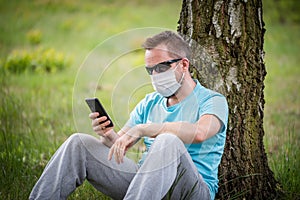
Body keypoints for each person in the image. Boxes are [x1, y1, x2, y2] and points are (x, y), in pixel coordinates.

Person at [29, 31, 228, 200]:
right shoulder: (150, 102)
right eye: (150, 70)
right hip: (145, 185)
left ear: (184, 65)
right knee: (78, 143)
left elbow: (201, 132)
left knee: (168, 141)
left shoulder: (212, 100)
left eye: (161, 68)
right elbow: (120, 145)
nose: (155, 76)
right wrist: (108, 135)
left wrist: (145, 129)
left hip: (191, 191)